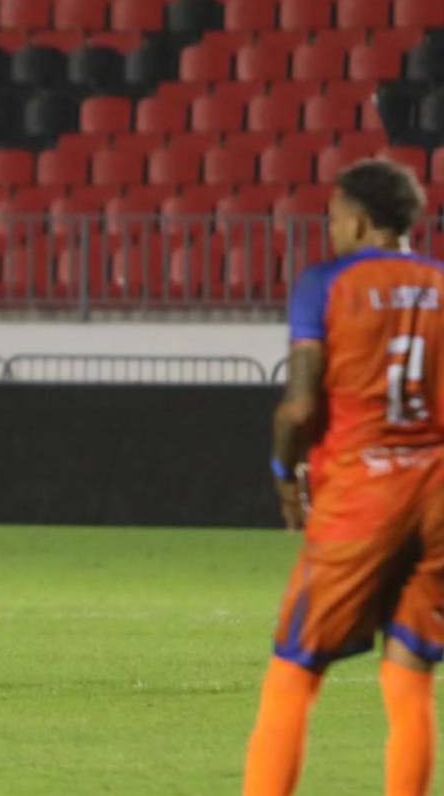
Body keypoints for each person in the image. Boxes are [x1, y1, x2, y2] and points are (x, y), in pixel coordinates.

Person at [242, 159, 444, 795]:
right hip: (438, 495)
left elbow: (299, 407)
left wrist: (285, 470)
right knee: (410, 675)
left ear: (358, 221)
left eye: (333, 218)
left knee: (294, 671)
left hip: (363, 494)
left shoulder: (325, 283)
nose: (330, 230)